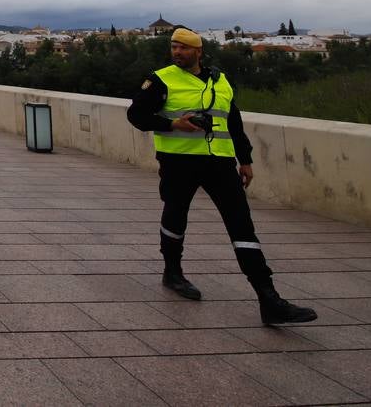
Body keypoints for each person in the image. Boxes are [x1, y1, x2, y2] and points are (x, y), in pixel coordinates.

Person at [127, 27, 317, 325]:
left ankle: (268, 299)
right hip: (179, 161)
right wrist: (173, 123)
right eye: (174, 47)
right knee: (175, 216)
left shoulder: (221, 80)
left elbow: (234, 121)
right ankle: (172, 272)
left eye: (184, 48)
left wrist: (246, 159)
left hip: (219, 162)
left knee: (241, 224)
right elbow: (136, 116)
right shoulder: (162, 79)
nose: (177, 52)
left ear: (198, 51)